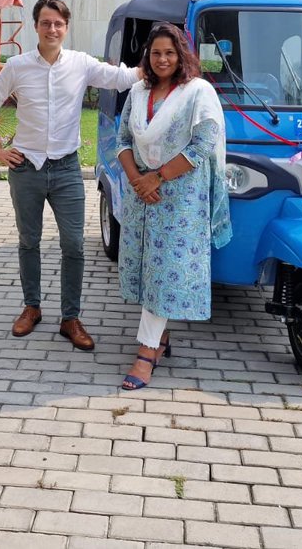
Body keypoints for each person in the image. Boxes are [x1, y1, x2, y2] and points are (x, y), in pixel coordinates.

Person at [0, 0, 142, 350]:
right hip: (26, 169)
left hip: (67, 169)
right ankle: (31, 307)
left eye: (58, 24)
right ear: (35, 26)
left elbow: (121, 77)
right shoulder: (18, 66)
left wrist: (163, 65)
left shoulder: (81, 64)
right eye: (45, 23)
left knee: (74, 245)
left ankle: (71, 317)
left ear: (66, 28)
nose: (52, 29)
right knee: (29, 241)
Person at [115, 21, 231, 390]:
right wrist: (138, 179)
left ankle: (147, 352)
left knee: (165, 273)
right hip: (141, 195)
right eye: (155, 53)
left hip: (178, 197)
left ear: (181, 55)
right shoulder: (137, 92)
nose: (162, 59)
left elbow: (202, 145)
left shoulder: (198, 92)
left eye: (169, 52)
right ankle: (159, 338)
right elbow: (122, 140)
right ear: (147, 57)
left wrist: (158, 177)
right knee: (145, 269)